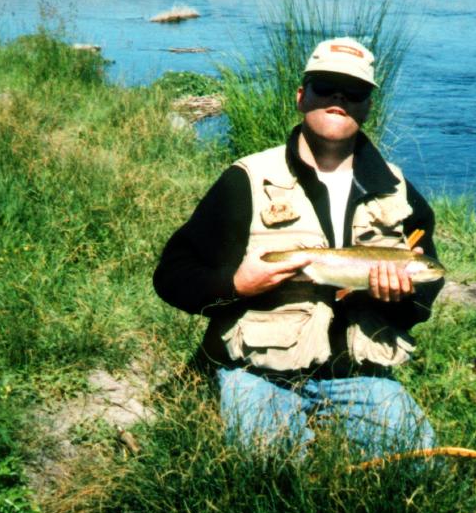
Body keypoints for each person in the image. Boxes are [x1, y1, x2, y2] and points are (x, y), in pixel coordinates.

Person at [153, 37, 442, 458]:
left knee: (420, 468)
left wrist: (400, 299)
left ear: (367, 107)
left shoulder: (399, 194)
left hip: (360, 373)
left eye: (355, 92)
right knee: (273, 476)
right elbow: (172, 276)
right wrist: (235, 285)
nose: (339, 98)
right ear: (301, 96)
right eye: (326, 86)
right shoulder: (246, 181)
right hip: (258, 372)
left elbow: (420, 306)